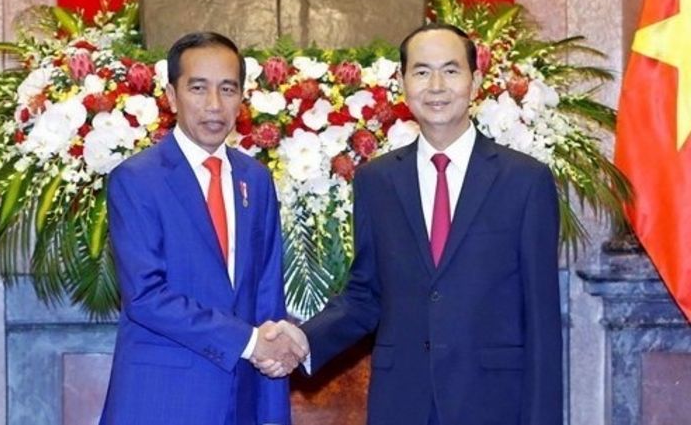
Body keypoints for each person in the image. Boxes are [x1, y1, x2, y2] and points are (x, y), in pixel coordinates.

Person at [274, 23, 563, 425]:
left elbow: (542, 321)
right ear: (402, 82)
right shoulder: (376, 181)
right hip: (402, 402)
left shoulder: (525, 181)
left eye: (451, 70)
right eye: (422, 72)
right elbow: (365, 295)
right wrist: (304, 339)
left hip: (493, 403)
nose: (436, 86)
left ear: (476, 80)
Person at [99, 32, 306, 425]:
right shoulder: (137, 179)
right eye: (198, 88)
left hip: (243, 399)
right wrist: (249, 342)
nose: (214, 104)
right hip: (162, 402)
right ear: (172, 97)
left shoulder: (255, 179)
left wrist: (272, 403)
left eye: (227, 89)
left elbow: (267, 297)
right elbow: (146, 296)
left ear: (242, 98)